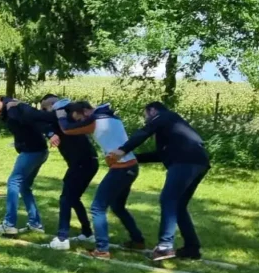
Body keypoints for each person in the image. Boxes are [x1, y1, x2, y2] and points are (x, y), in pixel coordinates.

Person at [109, 102, 211, 261]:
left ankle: (165, 247)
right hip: (199, 162)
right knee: (178, 205)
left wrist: (122, 150)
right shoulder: (173, 128)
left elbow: (144, 132)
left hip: (185, 162)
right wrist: (134, 159)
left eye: (146, 116)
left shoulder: (164, 116)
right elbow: (160, 154)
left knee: (168, 199)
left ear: (152, 110)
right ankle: (192, 248)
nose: (146, 120)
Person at [56, 101, 145, 259]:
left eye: (78, 118)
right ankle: (137, 241)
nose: (79, 122)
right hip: (131, 166)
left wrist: (61, 115)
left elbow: (67, 130)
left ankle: (102, 250)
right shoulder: (113, 117)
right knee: (118, 206)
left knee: (97, 208)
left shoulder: (95, 120)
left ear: (85, 112)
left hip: (121, 168)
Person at [0, 93, 49, 235]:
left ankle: (9, 224)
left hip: (33, 151)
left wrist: (51, 133)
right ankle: (35, 224)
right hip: (39, 150)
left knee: (13, 182)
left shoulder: (12, 109)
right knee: (24, 186)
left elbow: (33, 120)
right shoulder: (8, 108)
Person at [37, 95, 97, 250]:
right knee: (74, 198)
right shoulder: (61, 119)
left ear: (53, 105)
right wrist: (50, 133)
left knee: (66, 199)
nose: (44, 112)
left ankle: (62, 238)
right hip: (86, 163)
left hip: (83, 163)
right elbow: (42, 124)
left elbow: (43, 122)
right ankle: (87, 232)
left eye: (45, 108)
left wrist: (50, 131)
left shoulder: (65, 117)